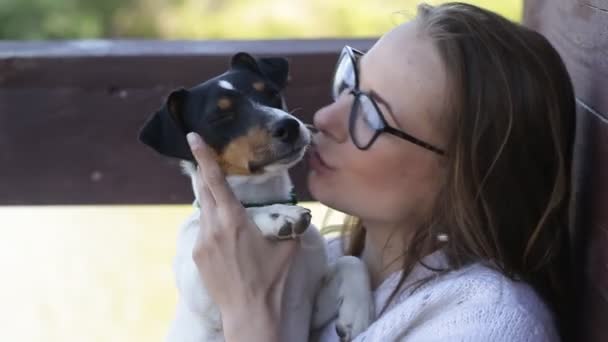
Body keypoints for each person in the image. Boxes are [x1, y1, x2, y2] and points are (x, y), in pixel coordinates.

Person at [185, 2, 575, 341]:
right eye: (350, 83)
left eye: (370, 116)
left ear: (465, 178)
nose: (324, 117)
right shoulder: (319, 259)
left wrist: (250, 312)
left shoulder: (489, 324)